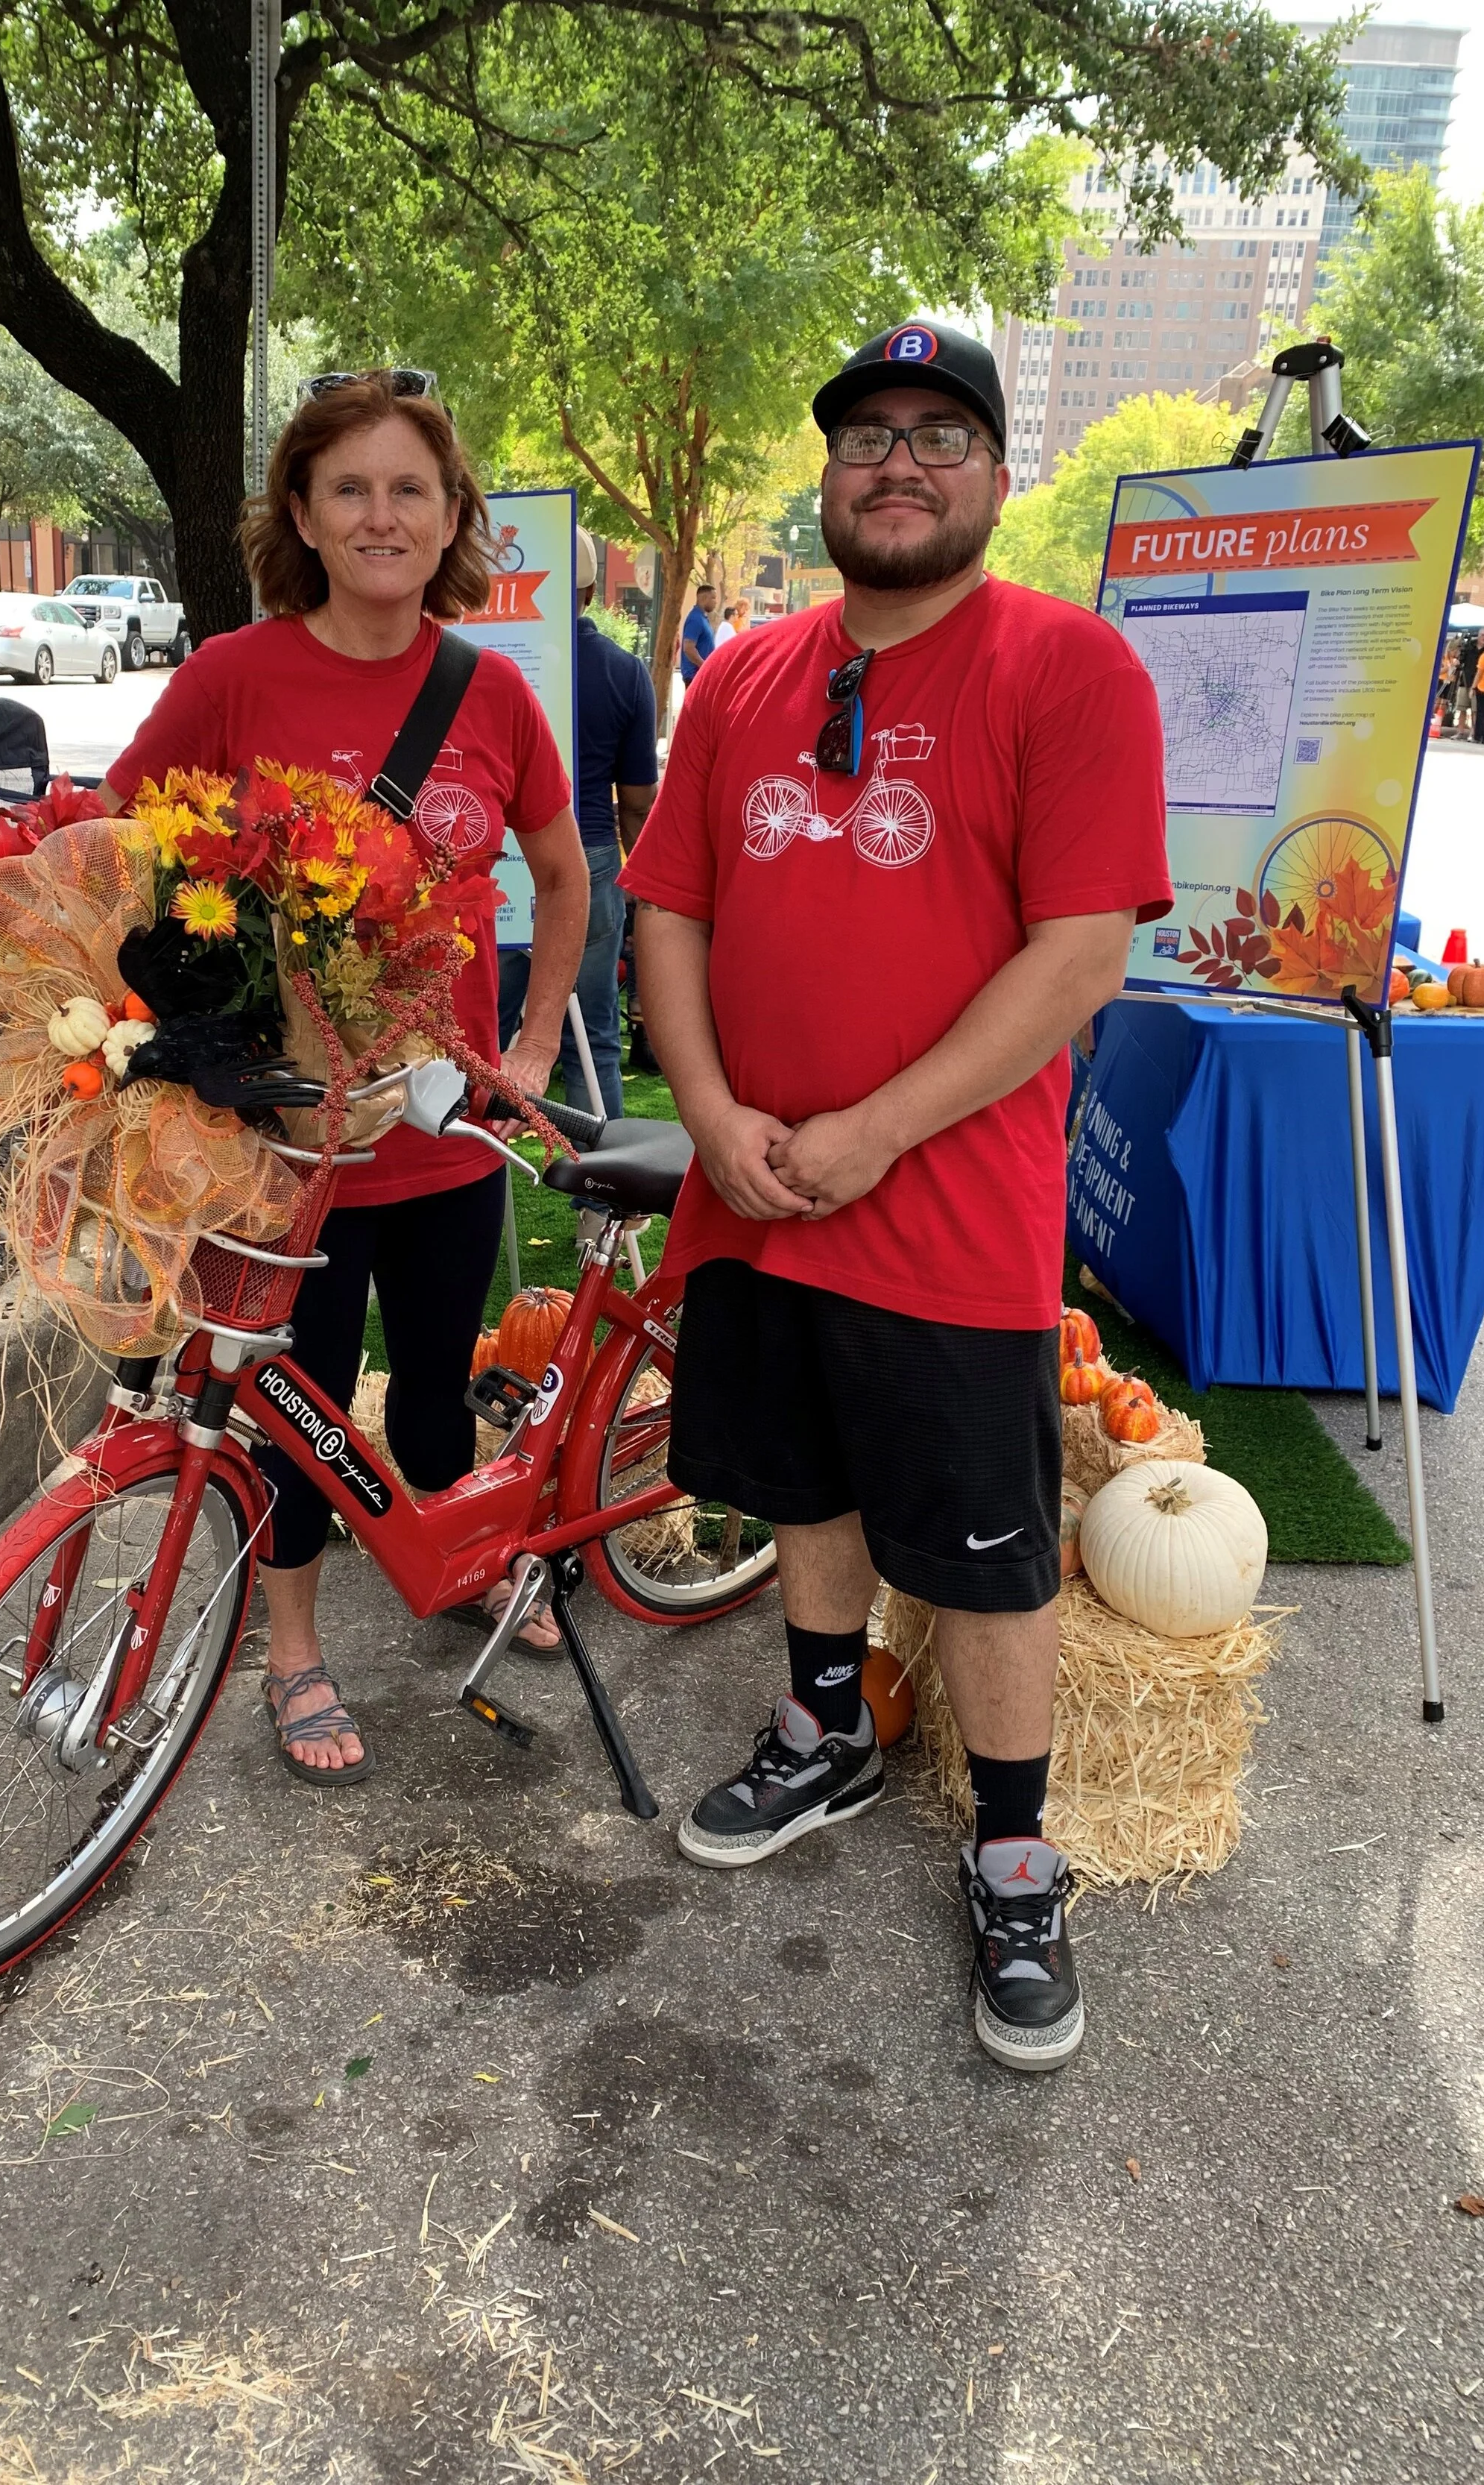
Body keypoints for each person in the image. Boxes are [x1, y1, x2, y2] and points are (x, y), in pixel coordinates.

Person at [622, 321, 1170, 2073]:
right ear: (831, 476)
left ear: (997, 478)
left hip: (947, 1216)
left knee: (989, 1556)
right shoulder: (744, 678)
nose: (900, 461)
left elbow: (1078, 954)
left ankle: (1014, 1849)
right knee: (803, 1492)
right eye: (867, 434)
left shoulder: (1071, 671)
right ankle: (827, 1729)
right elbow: (673, 910)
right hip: (759, 1192)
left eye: (942, 433)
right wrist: (709, 1107)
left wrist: (874, 1127)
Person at [99, 372, 590, 1773]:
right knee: (293, 1403)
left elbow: (565, 881)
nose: (382, 514)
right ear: (304, 515)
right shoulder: (233, 679)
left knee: (437, 1388)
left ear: (450, 522)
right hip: (284, 1146)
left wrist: (537, 1043)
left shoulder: (493, 694)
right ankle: (296, 1647)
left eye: (410, 489)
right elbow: (124, 849)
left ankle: (460, 1556)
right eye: (351, 488)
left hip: (440, 1132)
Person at [499, 529, 657, 1120]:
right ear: (590, 592)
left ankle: (474, 1179)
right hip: (587, 860)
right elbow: (638, 800)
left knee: (480, 1035)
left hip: (501, 861)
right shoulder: (624, 672)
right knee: (593, 1041)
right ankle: (602, 1207)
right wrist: (644, 893)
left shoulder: (490, 664)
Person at [679, 582, 718, 688]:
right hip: (694, 677)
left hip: (701, 676)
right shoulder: (695, 619)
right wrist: (704, 666)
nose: (716, 602)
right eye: (713, 598)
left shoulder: (702, 618)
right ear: (704, 598)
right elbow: (688, 648)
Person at [1473, 639, 1484, 744]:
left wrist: (1473, 687)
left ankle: (1479, 737)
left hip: (1483, 688)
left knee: (1481, 713)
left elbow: (1479, 673)